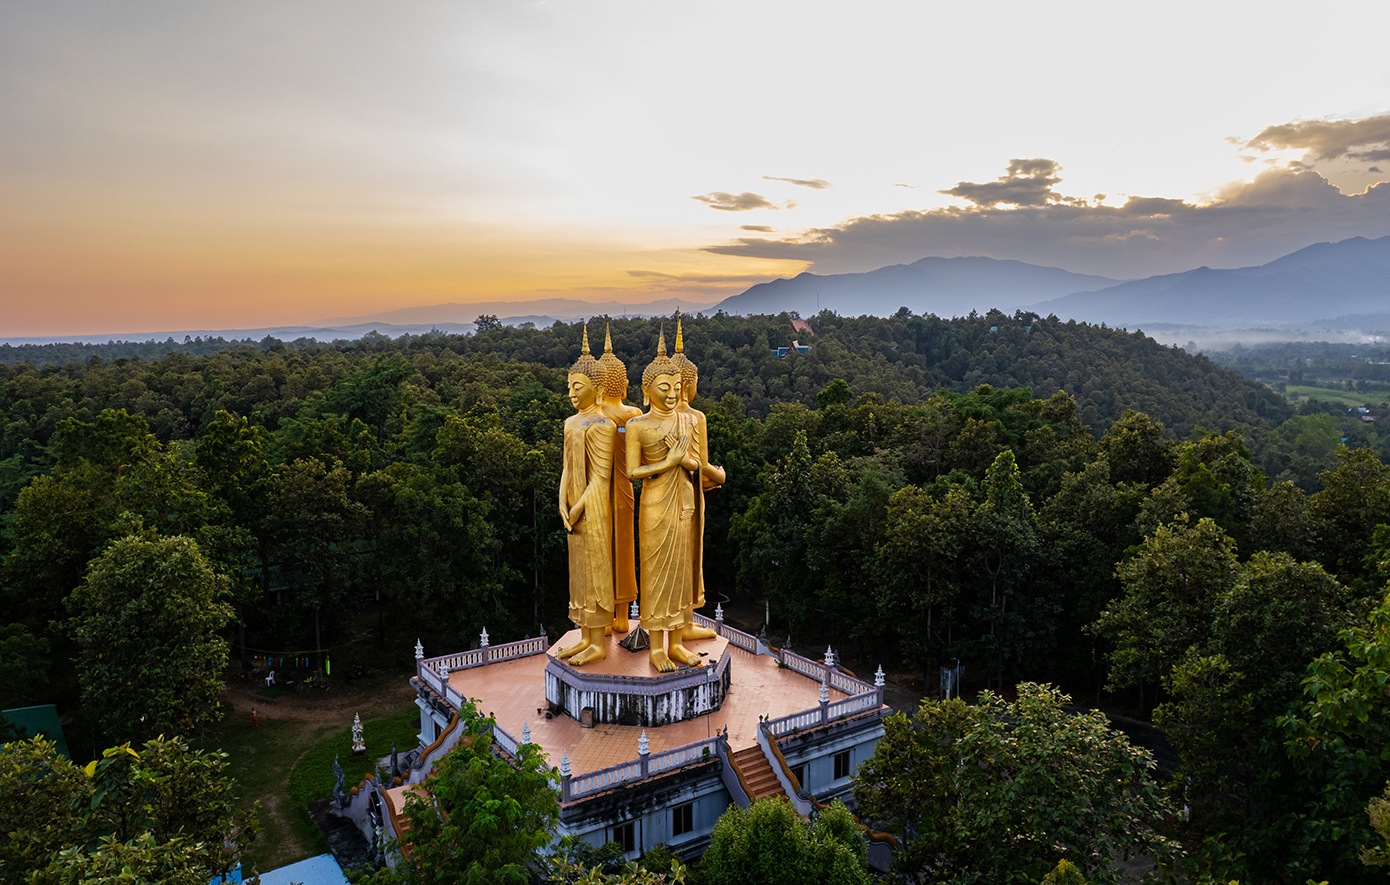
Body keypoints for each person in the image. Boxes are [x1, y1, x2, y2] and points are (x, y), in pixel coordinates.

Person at [627, 330, 702, 672]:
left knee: (681, 573)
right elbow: (632, 471)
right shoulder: (638, 425)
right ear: (646, 391)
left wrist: (684, 461)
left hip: (682, 499)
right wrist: (669, 462)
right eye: (664, 388)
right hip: (655, 503)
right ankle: (657, 647)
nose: (672, 395)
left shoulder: (687, 420)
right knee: (657, 573)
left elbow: (696, 463)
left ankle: (677, 643)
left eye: (676, 388)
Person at [555, 326, 617, 666]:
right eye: (569, 387)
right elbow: (567, 466)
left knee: (595, 573)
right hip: (574, 509)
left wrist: (579, 507)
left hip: (593, 509)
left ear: (598, 388)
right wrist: (561, 499)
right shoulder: (570, 423)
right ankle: (583, 637)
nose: (572, 394)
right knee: (577, 574)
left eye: (578, 387)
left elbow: (601, 478)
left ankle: (598, 643)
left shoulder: (603, 425)